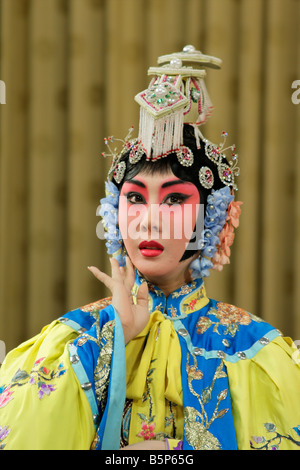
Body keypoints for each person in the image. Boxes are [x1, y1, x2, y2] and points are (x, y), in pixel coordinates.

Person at [1, 46, 300, 451]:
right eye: (136, 199)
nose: (150, 219)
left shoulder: (253, 349)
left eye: (175, 199)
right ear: (114, 211)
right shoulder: (74, 340)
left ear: (213, 217)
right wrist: (115, 339)